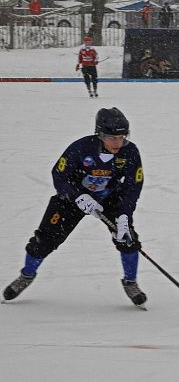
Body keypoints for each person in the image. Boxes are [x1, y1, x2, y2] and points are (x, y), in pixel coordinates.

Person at [2, 108, 147, 308]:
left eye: (122, 137)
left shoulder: (130, 151)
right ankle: (26, 275)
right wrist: (76, 196)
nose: (118, 142)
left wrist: (124, 215)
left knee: (128, 239)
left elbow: (133, 186)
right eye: (112, 137)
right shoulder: (81, 148)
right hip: (72, 199)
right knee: (43, 240)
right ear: (100, 134)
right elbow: (59, 175)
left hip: (110, 199)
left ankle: (131, 283)